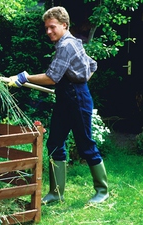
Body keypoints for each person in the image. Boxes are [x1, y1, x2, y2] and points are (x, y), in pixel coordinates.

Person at [9, 6, 109, 204]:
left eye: (52, 27)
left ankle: (102, 190)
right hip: (65, 98)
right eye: (46, 28)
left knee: (86, 145)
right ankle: (56, 193)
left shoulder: (66, 46)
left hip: (78, 99)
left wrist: (25, 77)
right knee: (54, 143)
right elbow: (93, 65)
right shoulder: (72, 43)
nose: (48, 31)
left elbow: (53, 77)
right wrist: (76, 80)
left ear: (65, 25)